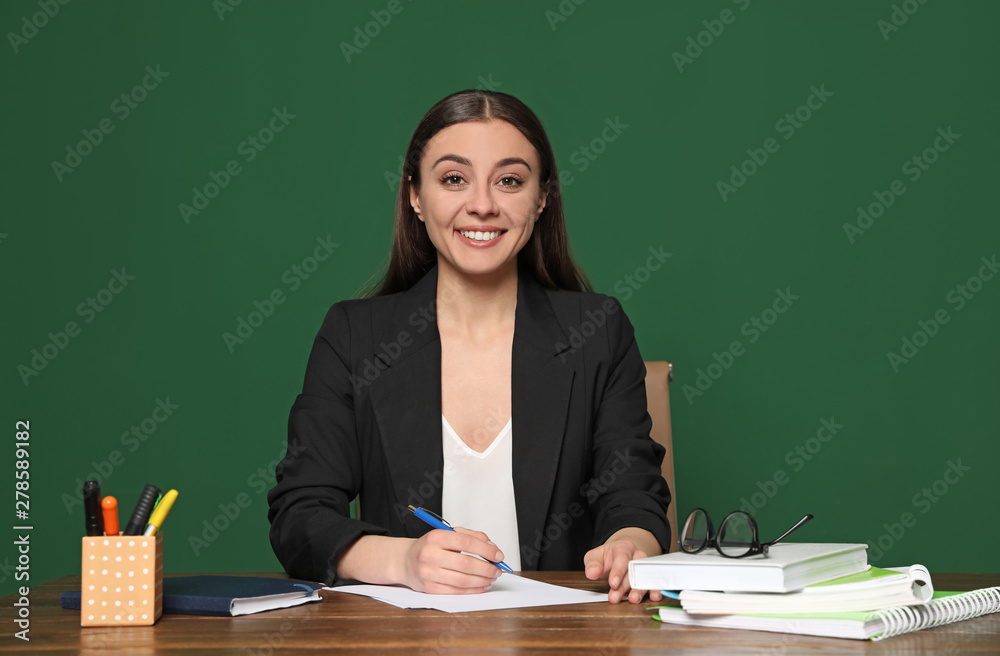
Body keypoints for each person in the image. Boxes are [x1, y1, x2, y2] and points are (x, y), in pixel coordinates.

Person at [267, 89, 671, 604]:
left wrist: (630, 543)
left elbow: (633, 491)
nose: (481, 205)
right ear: (415, 195)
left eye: (509, 181)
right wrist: (404, 561)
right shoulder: (353, 336)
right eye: (454, 178)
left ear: (541, 198)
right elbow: (300, 515)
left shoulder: (598, 328)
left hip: (561, 637)